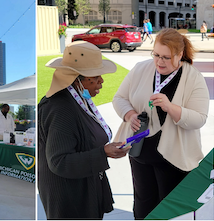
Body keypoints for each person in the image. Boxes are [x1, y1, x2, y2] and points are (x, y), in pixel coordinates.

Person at [112, 28, 209, 220]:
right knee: (143, 207)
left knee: (171, 211)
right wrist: (130, 114)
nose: (159, 62)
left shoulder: (193, 77)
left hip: (176, 159)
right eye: (156, 55)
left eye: (166, 57)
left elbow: (199, 118)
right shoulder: (141, 69)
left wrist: (171, 107)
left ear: (180, 55)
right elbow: (119, 98)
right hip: (141, 155)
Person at [38, 41, 131, 219]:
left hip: (85, 186)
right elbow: (59, 162)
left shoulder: (78, 96)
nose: (101, 81)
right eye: (95, 77)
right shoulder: (60, 108)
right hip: (71, 200)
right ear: (77, 79)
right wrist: (103, 153)